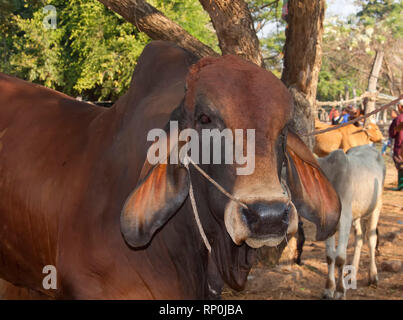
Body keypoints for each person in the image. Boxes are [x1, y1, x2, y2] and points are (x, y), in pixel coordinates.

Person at [390, 100, 403, 191]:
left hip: (400, 146)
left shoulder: (398, 119)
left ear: (400, 107)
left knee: (400, 165)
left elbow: (392, 133)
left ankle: (401, 185)